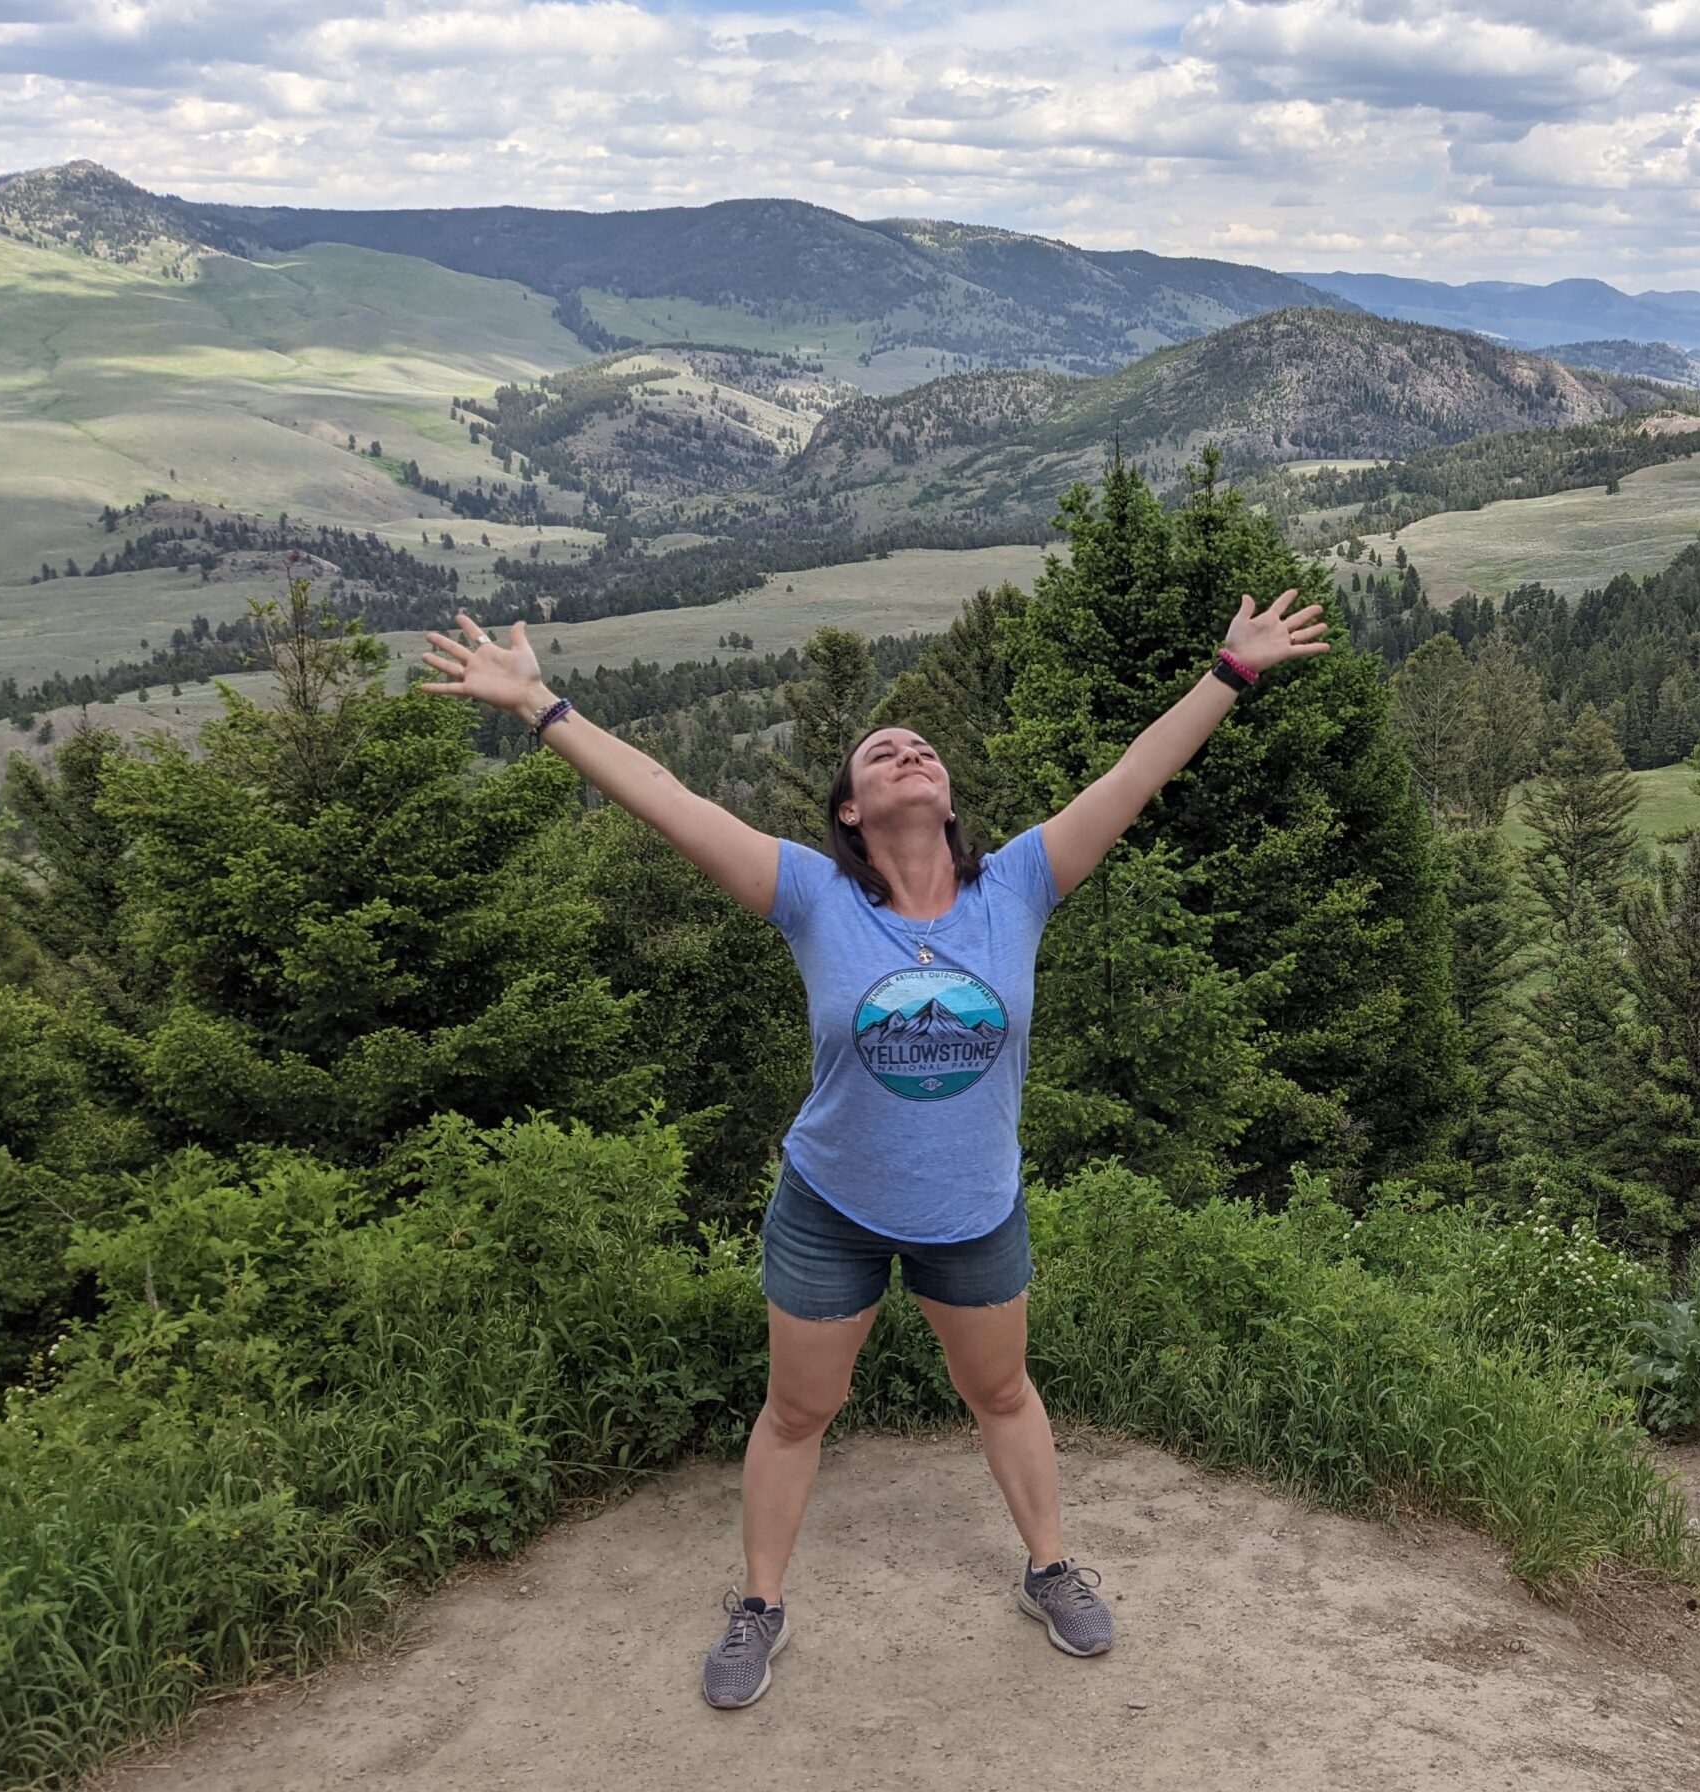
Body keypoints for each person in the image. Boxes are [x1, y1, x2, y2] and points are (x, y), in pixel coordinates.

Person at [419, 587, 1330, 1710]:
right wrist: (540, 706)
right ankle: (759, 1604)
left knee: (1000, 1394)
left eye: (922, 745)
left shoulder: (1022, 886)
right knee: (798, 1411)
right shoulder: (811, 895)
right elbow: (666, 798)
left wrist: (1231, 673)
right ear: (848, 809)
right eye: (880, 750)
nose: (908, 750)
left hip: (973, 1208)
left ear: (947, 799)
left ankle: (1048, 1568)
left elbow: (1134, 775)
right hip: (832, 1205)